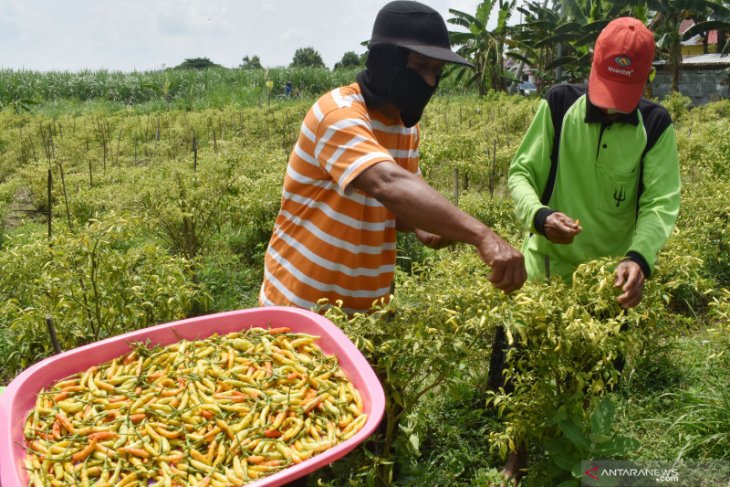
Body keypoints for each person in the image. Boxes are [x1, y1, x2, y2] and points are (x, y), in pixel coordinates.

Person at [495, 17, 681, 482]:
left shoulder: (656, 126)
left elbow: (660, 204)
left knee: (596, 383)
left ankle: (584, 465)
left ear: (645, 81)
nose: (614, 108)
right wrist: (540, 216)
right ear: (592, 67)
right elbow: (521, 174)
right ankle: (514, 459)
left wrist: (638, 258)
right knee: (518, 374)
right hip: (545, 271)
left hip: (608, 285)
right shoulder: (559, 105)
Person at [259, 0, 526, 317]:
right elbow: (388, 183)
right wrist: (483, 236)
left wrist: (422, 226)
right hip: (300, 308)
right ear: (387, 62)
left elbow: (400, 204)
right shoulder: (338, 114)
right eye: (419, 68)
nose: (429, 82)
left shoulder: (404, 127)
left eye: (436, 72)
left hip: (367, 314)